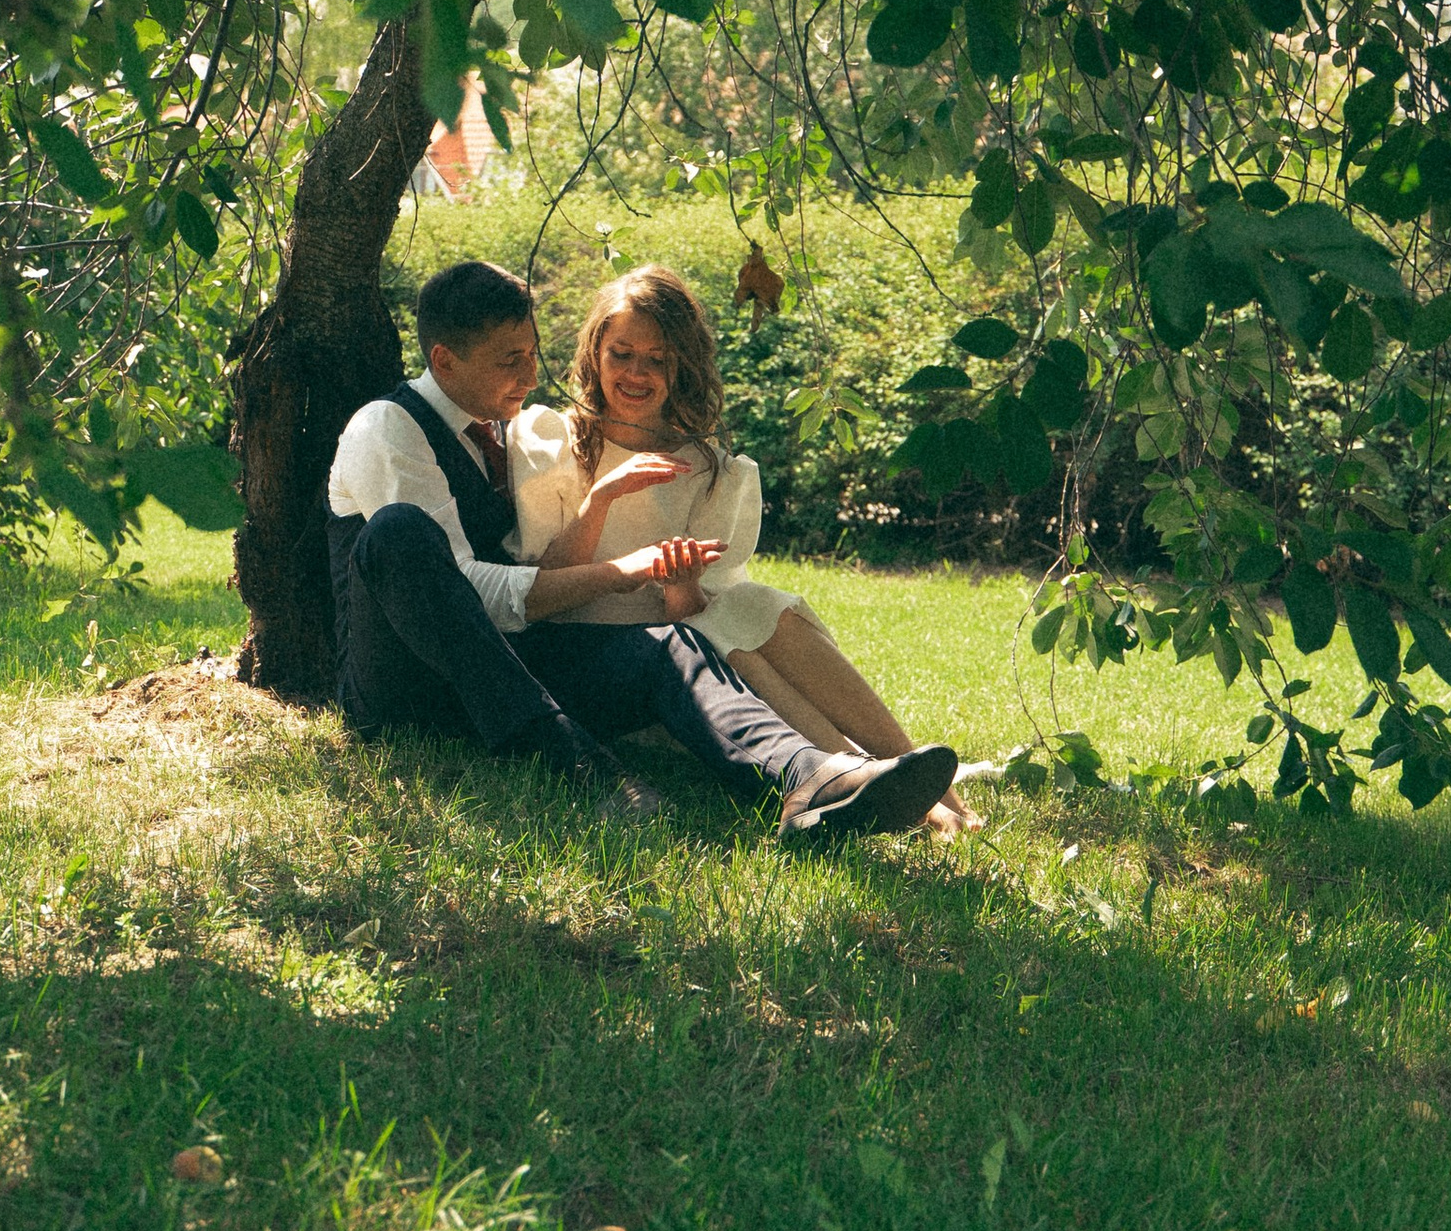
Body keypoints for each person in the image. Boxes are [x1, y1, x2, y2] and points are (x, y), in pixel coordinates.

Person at [325, 256, 963, 845]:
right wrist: (619, 569)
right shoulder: (387, 427)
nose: (530, 375)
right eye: (510, 360)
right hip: (408, 689)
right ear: (444, 361)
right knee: (399, 530)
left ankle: (811, 777)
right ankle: (578, 763)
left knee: (669, 644)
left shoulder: (495, 426)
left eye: (532, 354)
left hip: (511, 669)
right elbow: (462, 595)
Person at [510, 263, 981, 831]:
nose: (637, 373)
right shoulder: (550, 439)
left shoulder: (708, 467)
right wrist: (601, 499)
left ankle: (913, 783)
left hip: (694, 667)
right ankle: (889, 788)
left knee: (749, 604)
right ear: (595, 353)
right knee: (729, 620)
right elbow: (535, 595)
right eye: (622, 354)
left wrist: (680, 584)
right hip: (600, 666)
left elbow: (693, 619)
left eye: (658, 359)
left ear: (683, 365)